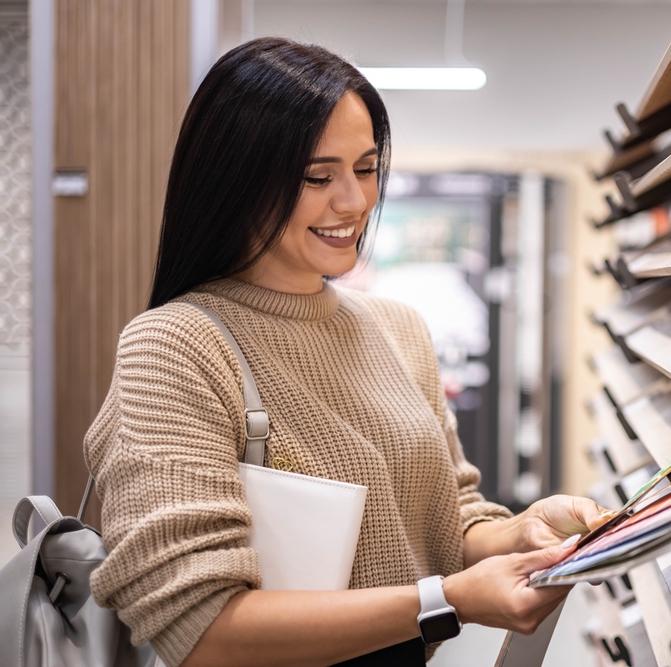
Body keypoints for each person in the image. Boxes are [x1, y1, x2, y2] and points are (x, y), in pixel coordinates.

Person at [83, 37, 606, 667]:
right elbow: (201, 627)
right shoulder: (176, 347)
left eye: (366, 167)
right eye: (317, 176)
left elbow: (446, 520)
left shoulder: (399, 328)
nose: (356, 201)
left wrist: (514, 534)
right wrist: (449, 602)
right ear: (236, 179)